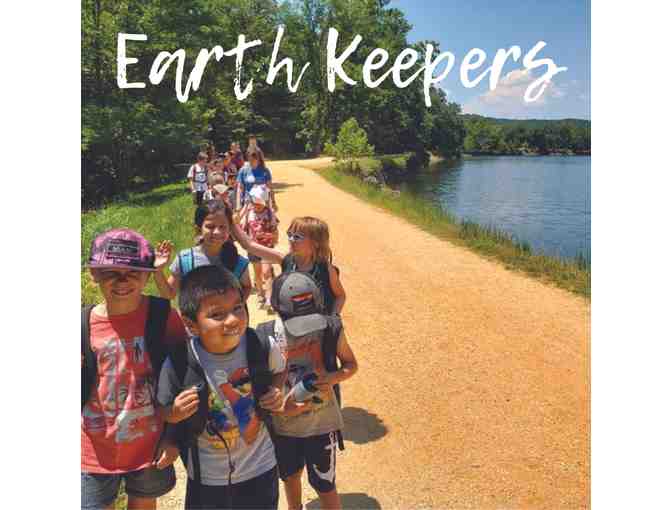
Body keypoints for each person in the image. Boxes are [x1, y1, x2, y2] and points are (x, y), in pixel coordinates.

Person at [156, 265, 286, 510]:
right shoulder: (180, 361)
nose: (233, 320)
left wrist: (277, 391)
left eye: (238, 308)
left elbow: (280, 370)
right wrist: (174, 413)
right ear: (191, 325)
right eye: (217, 314)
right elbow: (162, 409)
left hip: (261, 467)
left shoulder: (260, 345)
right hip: (207, 477)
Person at [81, 228, 188, 510]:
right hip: (93, 450)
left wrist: (173, 437)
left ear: (147, 275)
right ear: (94, 274)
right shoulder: (82, 324)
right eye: (111, 273)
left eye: (132, 273)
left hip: (150, 445)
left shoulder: (163, 317)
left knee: (144, 503)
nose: (122, 281)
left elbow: (184, 378)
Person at [257, 272, 358, 510]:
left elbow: (351, 365)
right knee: (290, 476)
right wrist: (280, 406)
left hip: (321, 426)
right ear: (277, 309)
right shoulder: (265, 336)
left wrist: (332, 378)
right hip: (284, 428)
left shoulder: (330, 328)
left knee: (325, 484)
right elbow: (259, 392)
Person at [235, 216, 346, 315]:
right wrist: (230, 220)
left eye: (297, 237)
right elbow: (249, 245)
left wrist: (334, 318)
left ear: (316, 243)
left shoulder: (325, 268)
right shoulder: (287, 260)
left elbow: (340, 296)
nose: (291, 240)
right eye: (290, 235)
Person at [154, 200, 252, 302]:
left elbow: (247, 287)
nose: (217, 232)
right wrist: (158, 271)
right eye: (210, 227)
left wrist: (236, 306)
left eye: (222, 227)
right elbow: (169, 295)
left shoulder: (238, 262)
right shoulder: (185, 260)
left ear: (230, 229)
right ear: (198, 229)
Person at [239, 185, 279, 310]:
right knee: (258, 273)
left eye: (259, 204)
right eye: (255, 203)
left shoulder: (269, 213)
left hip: (267, 247)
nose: (257, 206)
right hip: (253, 248)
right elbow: (240, 227)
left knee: (267, 272)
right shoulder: (248, 214)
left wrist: (273, 238)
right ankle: (260, 292)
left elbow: (275, 230)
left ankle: (269, 298)